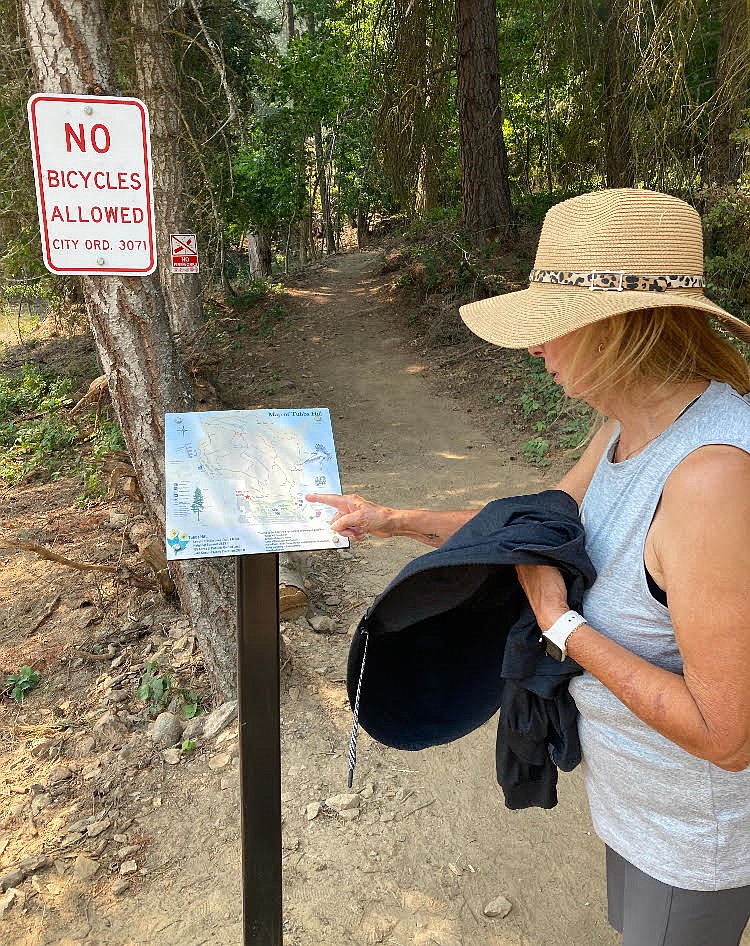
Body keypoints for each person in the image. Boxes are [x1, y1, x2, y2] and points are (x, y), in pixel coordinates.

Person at [307, 189, 750, 946]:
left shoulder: (709, 477)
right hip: (640, 801)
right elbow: (535, 533)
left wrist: (559, 623)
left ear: (618, 328)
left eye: (553, 325)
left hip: (694, 830)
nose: (535, 347)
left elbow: (726, 733)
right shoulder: (629, 423)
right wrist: (396, 522)